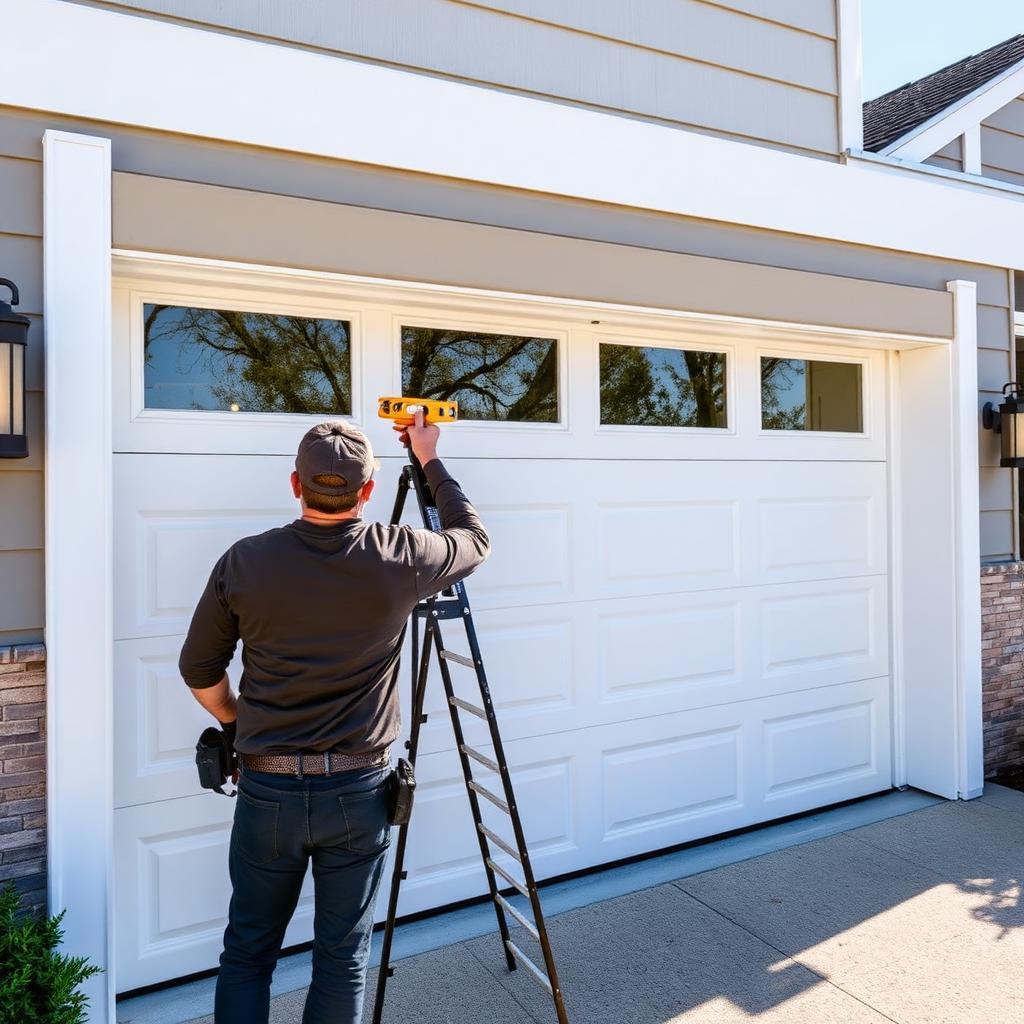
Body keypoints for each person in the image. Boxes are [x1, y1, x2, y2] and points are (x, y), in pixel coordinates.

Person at [178, 411, 490, 1024]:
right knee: (342, 958)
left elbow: (199, 671)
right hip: (357, 793)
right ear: (368, 492)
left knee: (247, 954)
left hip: (266, 791)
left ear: (296, 484)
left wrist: (241, 727)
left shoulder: (245, 562)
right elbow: (475, 540)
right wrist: (428, 457)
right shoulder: (399, 556)